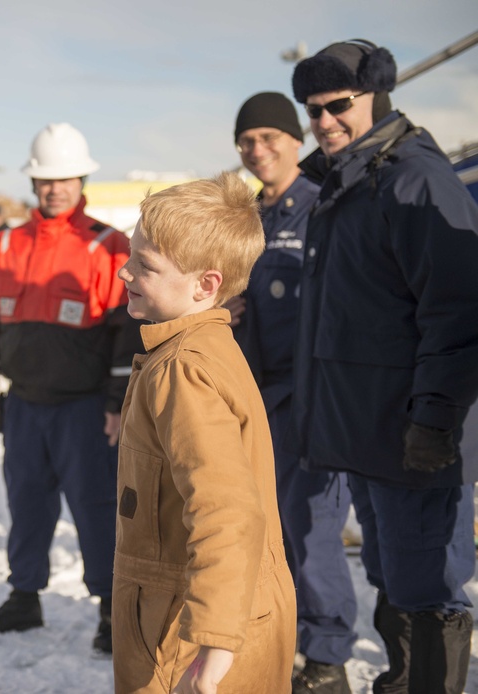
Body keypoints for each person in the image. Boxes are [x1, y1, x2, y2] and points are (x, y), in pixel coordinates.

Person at [290, 39, 478, 693]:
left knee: (429, 585)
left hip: (413, 439)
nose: (323, 121)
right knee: (390, 572)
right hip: (368, 438)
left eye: (336, 106)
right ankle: (401, 681)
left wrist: (434, 422)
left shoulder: (413, 179)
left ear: (377, 95)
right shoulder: (346, 185)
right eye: (311, 110)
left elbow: (456, 314)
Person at [112, 172, 297, 693]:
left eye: (145, 266)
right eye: (132, 254)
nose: (125, 271)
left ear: (206, 285)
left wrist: (215, 643)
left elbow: (226, 510)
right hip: (213, 613)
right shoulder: (205, 347)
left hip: (188, 634)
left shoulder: (184, 370)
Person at [0, 122, 139, 653]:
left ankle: (112, 610)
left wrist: (116, 404)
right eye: (46, 179)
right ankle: (24, 597)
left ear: (81, 179)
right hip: (22, 405)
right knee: (26, 503)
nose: (55, 188)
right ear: (33, 183)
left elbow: (125, 335)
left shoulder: (110, 246)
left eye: (65, 178)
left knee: (95, 506)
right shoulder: (7, 245)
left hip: (85, 410)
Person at [230, 92, 357, 694]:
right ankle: (283, 639)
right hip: (256, 400)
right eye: (247, 142)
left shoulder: (320, 209)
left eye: (269, 137)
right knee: (266, 530)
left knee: (311, 527)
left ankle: (328, 654)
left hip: (312, 399)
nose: (258, 150)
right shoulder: (248, 219)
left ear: (295, 140)